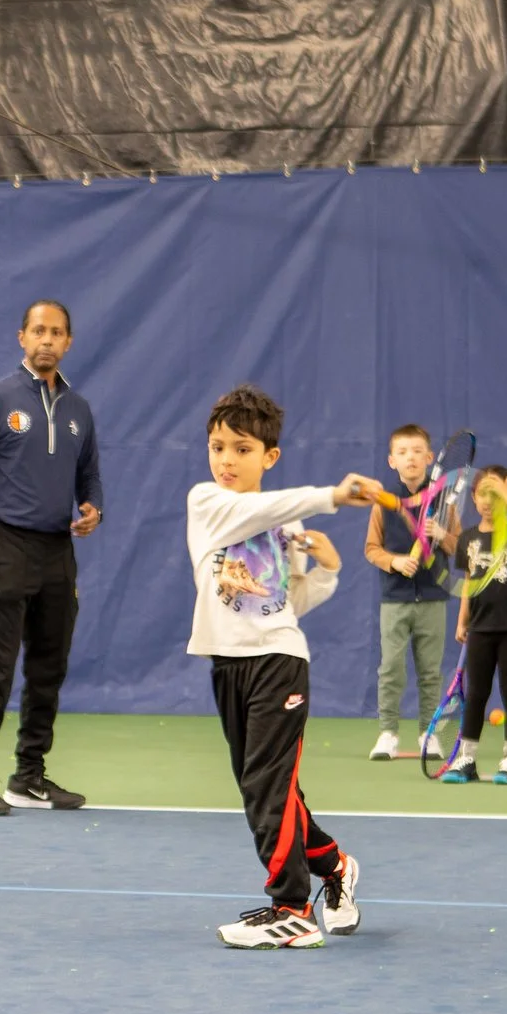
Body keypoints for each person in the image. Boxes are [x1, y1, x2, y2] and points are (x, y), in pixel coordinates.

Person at [186, 384, 384, 949]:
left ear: (269, 456)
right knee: (264, 790)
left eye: (242, 449)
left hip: (279, 661)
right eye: (218, 447)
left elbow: (285, 603)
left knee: (268, 786)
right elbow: (255, 509)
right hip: (228, 665)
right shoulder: (207, 502)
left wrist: (327, 570)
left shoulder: (287, 528)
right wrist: (331, 495)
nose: (226, 460)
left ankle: (292, 909)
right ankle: (335, 865)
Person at [0, 299, 103, 816]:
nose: (47, 340)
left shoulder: (78, 410)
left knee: (48, 668)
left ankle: (28, 776)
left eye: (56, 332)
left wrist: (92, 508)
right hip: (4, 545)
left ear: (68, 342)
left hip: (57, 550)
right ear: (22, 338)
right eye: (38, 331)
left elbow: (89, 476)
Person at [439, 466, 507, 784]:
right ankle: (466, 759)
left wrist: (506, 493)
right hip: (480, 629)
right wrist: (462, 620)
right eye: (483, 493)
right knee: (477, 693)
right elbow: (469, 581)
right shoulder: (467, 538)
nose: (488, 500)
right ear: (473, 497)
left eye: (495, 494)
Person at [360, 424, 451, 760]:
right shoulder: (384, 503)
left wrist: (442, 534)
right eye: (402, 452)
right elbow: (371, 549)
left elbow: (460, 548)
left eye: (417, 451)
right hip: (395, 601)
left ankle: (429, 734)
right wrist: (395, 562)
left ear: (429, 458)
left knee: (431, 672)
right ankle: (388, 733)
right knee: (391, 669)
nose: (410, 458)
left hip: (433, 600)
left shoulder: (444, 503)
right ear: (391, 460)